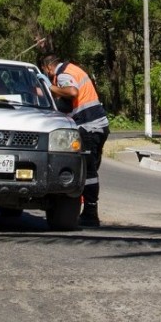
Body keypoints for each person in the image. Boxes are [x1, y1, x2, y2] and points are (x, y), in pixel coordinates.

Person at [41, 54, 110, 227]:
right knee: (90, 170)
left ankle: (90, 214)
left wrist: (51, 88)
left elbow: (72, 92)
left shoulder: (63, 74)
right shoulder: (73, 69)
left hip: (88, 127)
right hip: (99, 125)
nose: (48, 75)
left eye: (45, 72)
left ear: (48, 67)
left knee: (88, 173)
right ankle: (88, 211)